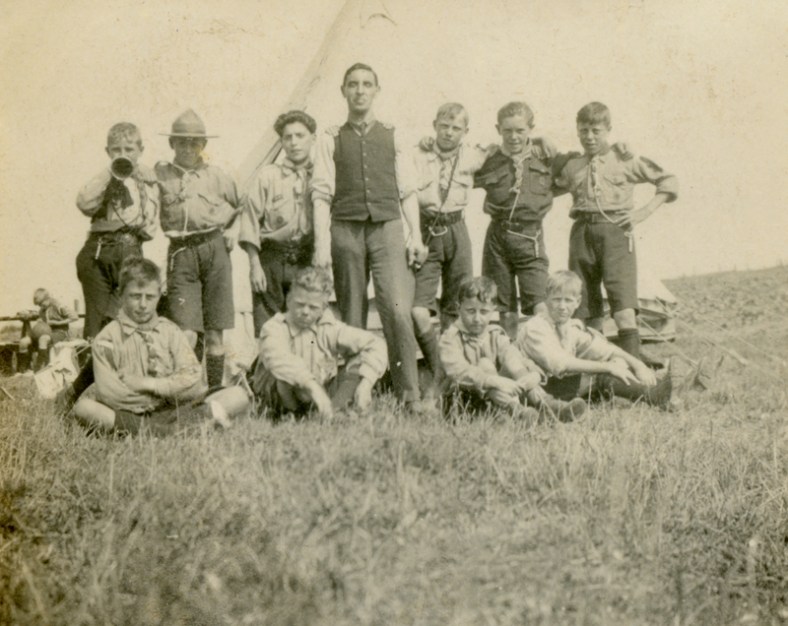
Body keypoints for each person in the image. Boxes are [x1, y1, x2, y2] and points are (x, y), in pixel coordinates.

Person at [310, 62, 427, 408]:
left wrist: (416, 235)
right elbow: (321, 195)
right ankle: (350, 394)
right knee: (352, 313)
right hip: (345, 229)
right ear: (343, 91)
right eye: (353, 84)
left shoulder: (394, 134)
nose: (360, 90)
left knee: (398, 309)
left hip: (388, 228)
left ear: (377, 90)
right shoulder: (330, 137)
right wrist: (321, 247)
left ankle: (409, 394)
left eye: (366, 84)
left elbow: (407, 190)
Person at [555, 102, 678, 359]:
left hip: (615, 233)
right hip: (581, 235)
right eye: (584, 130)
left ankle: (634, 372)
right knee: (585, 306)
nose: (589, 137)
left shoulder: (625, 158)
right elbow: (548, 185)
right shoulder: (571, 165)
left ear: (608, 130)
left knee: (623, 305)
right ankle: (594, 374)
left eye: (596, 131)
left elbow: (668, 181)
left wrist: (643, 212)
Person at [73, 257, 249, 435]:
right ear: (121, 295)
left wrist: (149, 384)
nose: (143, 305)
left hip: (176, 410)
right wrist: (167, 391)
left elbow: (193, 382)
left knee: (238, 396)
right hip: (132, 415)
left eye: (150, 297)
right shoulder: (107, 338)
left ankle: (163, 431)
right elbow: (110, 394)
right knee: (85, 409)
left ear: (158, 295)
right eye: (135, 296)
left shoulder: (170, 331)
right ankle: (180, 430)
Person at [155, 109, 240, 389]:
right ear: (172, 145)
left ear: (203, 145)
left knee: (216, 334)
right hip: (181, 253)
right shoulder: (160, 174)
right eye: (182, 142)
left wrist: (233, 230)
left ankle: (214, 392)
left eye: (194, 142)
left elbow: (244, 204)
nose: (188, 148)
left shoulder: (217, 175)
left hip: (214, 249)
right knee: (186, 333)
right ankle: (186, 394)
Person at [518, 270, 673, 408]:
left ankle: (651, 391)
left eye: (568, 300)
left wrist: (638, 365)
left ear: (578, 302)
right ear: (547, 299)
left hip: (558, 386)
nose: (562, 306)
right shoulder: (536, 327)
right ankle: (653, 394)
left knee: (614, 360)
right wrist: (608, 367)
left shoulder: (570, 326)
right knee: (604, 372)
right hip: (534, 390)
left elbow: (605, 349)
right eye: (557, 299)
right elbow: (561, 364)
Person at [439, 277, 586, 422]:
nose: (477, 318)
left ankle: (550, 405)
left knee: (513, 362)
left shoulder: (495, 333)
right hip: (461, 402)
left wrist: (531, 374)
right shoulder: (450, 338)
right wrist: (494, 381)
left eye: (484, 312)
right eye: (471, 311)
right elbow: (458, 372)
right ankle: (518, 412)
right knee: (485, 364)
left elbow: (515, 356)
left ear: (492, 311)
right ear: (459, 308)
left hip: (494, 398)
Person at [249, 266, 387, 420]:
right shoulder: (275, 327)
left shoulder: (328, 327)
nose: (306, 311)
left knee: (358, 365)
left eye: (313, 307)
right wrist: (314, 388)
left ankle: (334, 412)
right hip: (280, 400)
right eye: (300, 304)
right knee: (285, 378)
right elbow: (279, 359)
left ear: (323, 308)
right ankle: (291, 416)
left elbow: (376, 344)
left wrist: (366, 383)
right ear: (288, 301)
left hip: (316, 397)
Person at [76, 122, 159, 340]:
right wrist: (110, 173)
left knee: (129, 317)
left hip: (130, 250)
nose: (123, 154)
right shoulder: (103, 179)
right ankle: (95, 372)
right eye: (116, 150)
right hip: (99, 252)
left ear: (141, 150)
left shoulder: (149, 180)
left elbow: (151, 228)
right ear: (108, 151)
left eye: (129, 150)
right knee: (97, 324)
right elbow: (84, 203)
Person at [239, 110, 317, 336]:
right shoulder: (267, 176)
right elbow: (250, 221)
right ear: (281, 141)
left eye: (300, 136)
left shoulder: (322, 176)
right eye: (288, 137)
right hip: (271, 261)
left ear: (313, 138)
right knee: (269, 332)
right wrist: (255, 266)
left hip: (305, 259)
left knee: (306, 332)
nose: (294, 143)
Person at [17, 288, 78, 371]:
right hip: (46, 331)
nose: (40, 306)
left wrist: (57, 323)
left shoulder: (59, 305)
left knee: (43, 339)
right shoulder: (42, 309)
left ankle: (39, 368)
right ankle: (22, 370)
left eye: (41, 304)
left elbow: (74, 317)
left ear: (47, 298)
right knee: (24, 342)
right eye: (38, 305)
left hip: (59, 332)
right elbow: (41, 318)